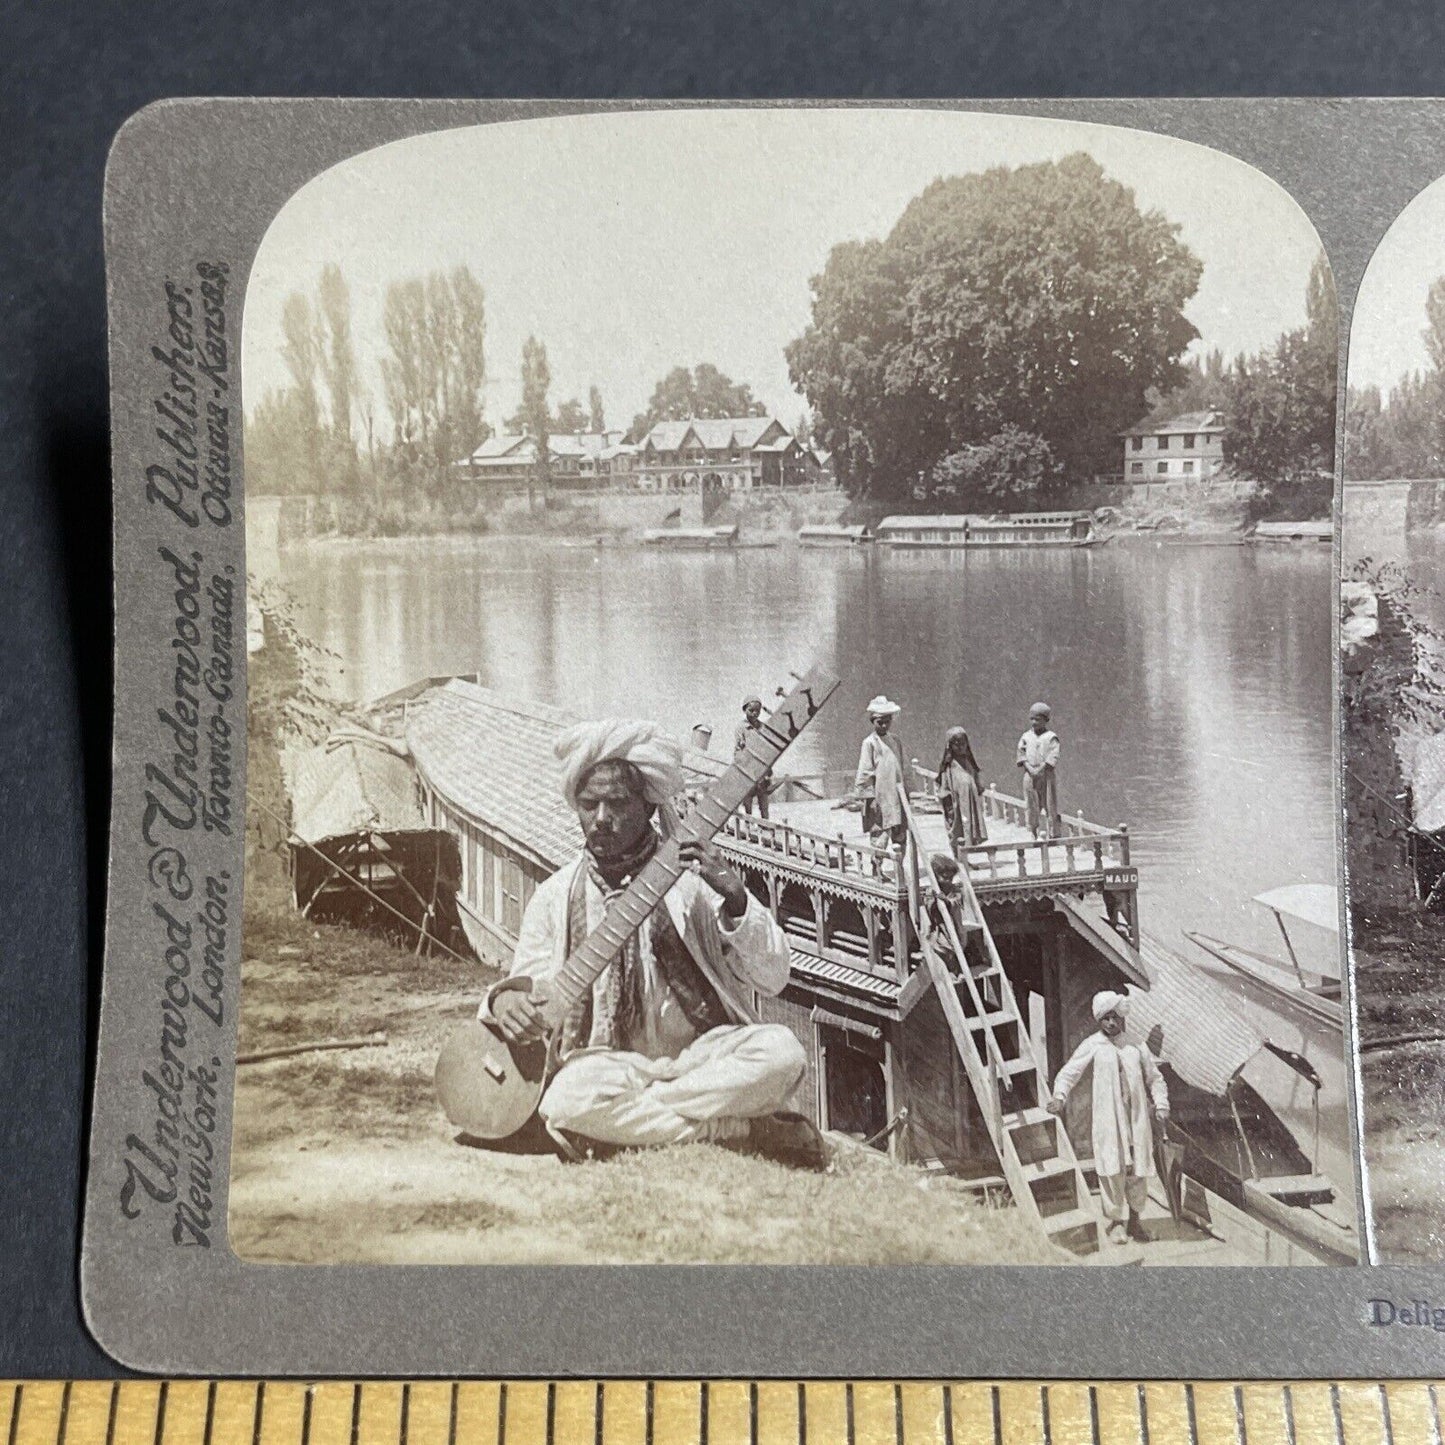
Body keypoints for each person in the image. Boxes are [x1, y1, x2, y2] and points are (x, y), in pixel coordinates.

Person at [482, 718, 828, 1170]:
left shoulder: (693, 884)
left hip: (704, 1058)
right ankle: (740, 1128)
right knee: (565, 1101)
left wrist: (738, 898)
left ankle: (633, 1124)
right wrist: (507, 999)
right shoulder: (555, 896)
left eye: (617, 804)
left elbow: (774, 976)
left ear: (648, 805)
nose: (601, 818)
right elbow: (523, 984)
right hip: (608, 1066)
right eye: (590, 805)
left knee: (783, 1053)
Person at [1046, 990, 1170, 1245]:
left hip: (1136, 1119)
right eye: (1106, 1018)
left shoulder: (1135, 1044)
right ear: (1099, 1020)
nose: (1112, 1023)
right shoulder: (1093, 1045)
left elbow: (1154, 1077)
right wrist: (1059, 1096)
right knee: (1112, 1169)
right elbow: (1070, 1072)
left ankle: (1136, 1222)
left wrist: (1161, 1103)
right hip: (1109, 1119)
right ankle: (1115, 1223)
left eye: (1115, 1017)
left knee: (1138, 1170)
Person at [853, 696, 908, 849]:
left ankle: (899, 868)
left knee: (900, 834)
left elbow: (904, 767)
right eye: (880, 722)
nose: (884, 725)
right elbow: (865, 771)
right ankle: (877, 869)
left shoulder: (896, 740)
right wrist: (869, 799)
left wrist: (908, 791)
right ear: (873, 722)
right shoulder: (870, 743)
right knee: (879, 836)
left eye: (887, 721)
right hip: (879, 796)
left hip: (897, 794)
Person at [937, 726, 988, 852]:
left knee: (969, 828)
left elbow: (976, 780)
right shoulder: (949, 766)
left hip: (969, 803)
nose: (960, 747)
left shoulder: (969, 762)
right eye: (956, 744)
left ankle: (966, 856)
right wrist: (948, 804)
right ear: (950, 746)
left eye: (963, 743)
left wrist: (978, 787)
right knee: (956, 829)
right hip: (955, 804)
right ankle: (958, 857)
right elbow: (944, 787)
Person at [1016, 702, 1061, 839]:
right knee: (1031, 803)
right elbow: (1021, 755)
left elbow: (1053, 756)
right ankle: (1032, 831)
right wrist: (1030, 769)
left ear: (1046, 720)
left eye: (1038, 719)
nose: (1034, 722)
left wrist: (1040, 769)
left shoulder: (1051, 737)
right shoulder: (1026, 736)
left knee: (1049, 803)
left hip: (1046, 775)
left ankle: (1053, 832)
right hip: (1030, 775)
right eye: (1032, 719)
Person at [733, 695, 773, 818]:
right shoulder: (741, 727)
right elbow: (738, 748)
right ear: (745, 710)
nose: (755, 713)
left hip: (761, 766)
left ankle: (766, 822)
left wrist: (769, 766)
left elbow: (767, 747)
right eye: (751, 710)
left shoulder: (762, 727)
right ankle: (748, 822)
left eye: (758, 711)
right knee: (748, 797)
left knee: (763, 797)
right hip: (747, 765)